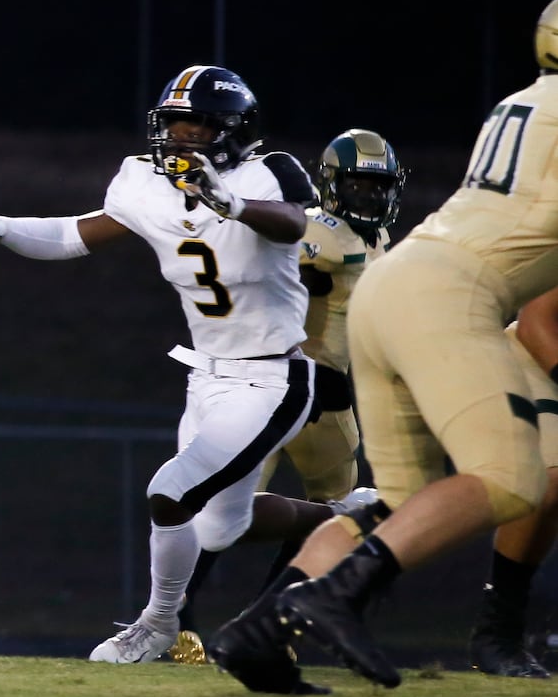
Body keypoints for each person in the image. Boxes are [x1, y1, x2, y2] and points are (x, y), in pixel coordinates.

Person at [208, 0, 558, 692]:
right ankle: (330, 597)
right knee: (510, 478)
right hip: (448, 293)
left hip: (392, 282)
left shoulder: (525, 103)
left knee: (400, 497)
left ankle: (259, 632)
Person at [0, 64, 326, 666]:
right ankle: (357, 517)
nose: (180, 137)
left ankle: (157, 625)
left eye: (196, 125)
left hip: (271, 377)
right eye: (173, 124)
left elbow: (292, 224)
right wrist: (3, 228)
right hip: (207, 374)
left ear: (230, 130)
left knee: (170, 491)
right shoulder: (143, 181)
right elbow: (78, 234)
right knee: (221, 527)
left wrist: (232, 203)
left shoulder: (269, 171)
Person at [171, 129, 405, 663]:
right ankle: (176, 620)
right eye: (358, 186)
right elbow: (262, 282)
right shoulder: (317, 233)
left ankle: (270, 619)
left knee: (334, 514)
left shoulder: (376, 239)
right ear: (330, 184)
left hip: (333, 399)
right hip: (282, 386)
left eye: (378, 187)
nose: (370, 197)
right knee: (217, 506)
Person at [467, 286, 558, 678]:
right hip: (535, 360)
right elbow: (535, 321)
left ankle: (509, 633)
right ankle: (495, 632)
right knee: (546, 479)